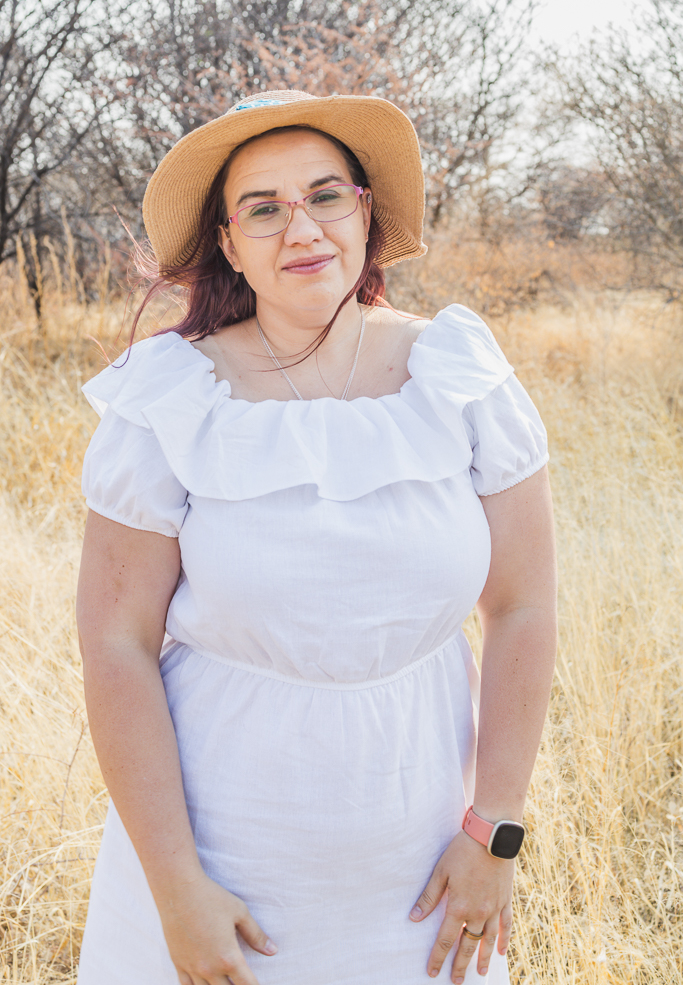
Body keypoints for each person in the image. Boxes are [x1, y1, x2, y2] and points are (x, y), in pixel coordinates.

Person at [76, 89, 557, 985]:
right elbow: (115, 643)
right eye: (263, 208)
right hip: (222, 863)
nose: (301, 228)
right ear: (226, 242)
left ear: (365, 213)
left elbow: (524, 605)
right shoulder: (171, 400)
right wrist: (176, 886)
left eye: (325, 195)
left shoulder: (458, 374)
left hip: (422, 865)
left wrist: (495, 830)